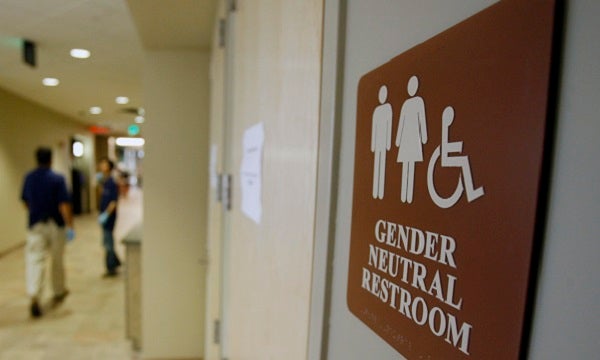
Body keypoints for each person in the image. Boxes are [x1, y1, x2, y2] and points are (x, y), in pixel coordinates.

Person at [21, 147, 75, 318]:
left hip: (35, 224)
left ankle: (34, 294)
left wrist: (35, 212)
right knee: (57, 259)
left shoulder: (29, 178)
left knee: (35, 259)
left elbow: (25, 201)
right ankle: (58, 290)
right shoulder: (57, 179)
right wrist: (70, 225)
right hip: (55, 224)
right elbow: (63, 205)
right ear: (51, 160)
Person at [395, 75, 428, 203]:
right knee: (405, 166)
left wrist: (424, 137)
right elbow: (401, 122)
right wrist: (397, 140)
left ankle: (409, 197)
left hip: (415, 138)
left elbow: (422, 120)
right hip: (406, 139)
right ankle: (404, 195)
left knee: (412, 166)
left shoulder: (419, 102)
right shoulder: (405, 104)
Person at [97, 157, 121, 277]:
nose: (101, 165)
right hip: (104, 215)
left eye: (104, 164)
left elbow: (113, 202)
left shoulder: (111, 183)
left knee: (108, 242)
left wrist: (106, 214)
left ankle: (111, 267)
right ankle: (115, 262)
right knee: (107, 241)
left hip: (109, 217)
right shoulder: (104, 182)